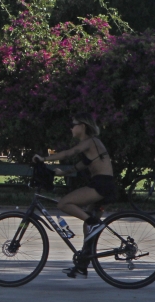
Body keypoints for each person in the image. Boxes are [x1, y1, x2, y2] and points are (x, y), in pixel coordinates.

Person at [33, 114, 118, 279]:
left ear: (83, 126)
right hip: (105, 185)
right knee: (88, 230)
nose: (71, 128)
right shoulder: (91, 145)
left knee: (64, 203)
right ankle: (82, 266)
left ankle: (93, 224)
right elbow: (80, 165)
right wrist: (63, 173)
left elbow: (68, 153)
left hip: (101, 184)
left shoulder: (90, 141)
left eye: (73, 125)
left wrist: (44, 158)